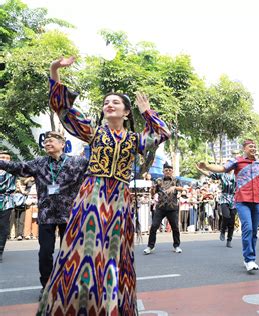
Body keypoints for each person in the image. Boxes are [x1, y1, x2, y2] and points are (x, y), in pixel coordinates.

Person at [37, 56, 170, 314]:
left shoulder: (135, 140)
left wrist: (148, 113)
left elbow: (161, 134)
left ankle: (110, 306)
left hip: (119, 199)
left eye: (116, 102)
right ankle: (78, 306)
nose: (110, 104)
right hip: (92, 195)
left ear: (126, 111)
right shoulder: (93, 132)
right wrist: (54, 70)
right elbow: (63, 109)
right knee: (85, 251)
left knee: (113, 254)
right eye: (106, 102)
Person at [0, 132, 88, 294]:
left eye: (51, 141)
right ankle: (46, 287)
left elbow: (99, 169)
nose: (47, 143)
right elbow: (17, 167)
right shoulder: (39, 163)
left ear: (62, 144)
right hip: (46, 216)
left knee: (69, 253)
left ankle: (68, 285)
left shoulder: (77, 162)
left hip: (69, 215)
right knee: (45, 253)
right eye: (45, 141)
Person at [197, 139, 259, 272]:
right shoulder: (237, 161)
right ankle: (249, 259)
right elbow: (222, 169)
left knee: (253, 232)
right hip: (242, 201)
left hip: (257, 201)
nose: (253, 148)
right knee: (247, 228)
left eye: (254, 146)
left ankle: (251, 258)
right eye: (250, 146)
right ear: (244, 149)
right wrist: (206, 166)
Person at [144, 162, 184, 255]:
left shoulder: (176, 180)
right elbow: (153, 193)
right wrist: (152, 190)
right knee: (154, 226)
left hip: (172, 207)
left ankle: (176, 245)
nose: (168, 172)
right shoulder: (158, 180)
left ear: (172, 171)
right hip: (160, 207)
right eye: (166, 170)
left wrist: (174, 187)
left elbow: (182, 189)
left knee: (175, 227)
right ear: (163, 171)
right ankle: (150, 246)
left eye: (170, 170)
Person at [196, 164, 236, 248]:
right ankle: (222, 231)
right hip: (224, 198)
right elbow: (210, 174)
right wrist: (200, 170)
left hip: (234, 199)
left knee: (232, 221)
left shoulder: (236, 175)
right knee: (226, 216)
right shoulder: (222, 174)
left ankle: (229, 240)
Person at [0, 150, 17, 263]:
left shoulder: (12, 172)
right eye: (2, 157)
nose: (4, 159)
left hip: (6, 201)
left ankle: (0, 250)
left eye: (7, 158)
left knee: (3, 227)